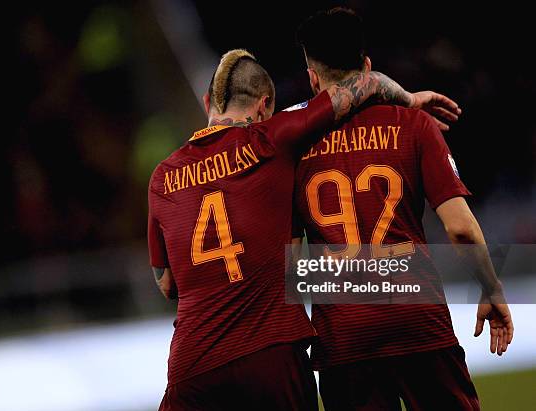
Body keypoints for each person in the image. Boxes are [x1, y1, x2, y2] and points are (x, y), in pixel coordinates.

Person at [148, 48, 460, 410]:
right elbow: (361, 83)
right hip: (272, 352)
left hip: (194, 363)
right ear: (264, 106)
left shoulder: (162, 177)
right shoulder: (271, 139)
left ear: (207, 102)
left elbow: (167, 283)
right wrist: (408, 100)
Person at [292, 7, 514, 410]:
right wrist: (491, 288)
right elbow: (461, 229)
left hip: (343, 334)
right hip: (417, 318)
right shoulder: (415, 125)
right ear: (368, 65)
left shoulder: (290, 146)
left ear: (312, 77)